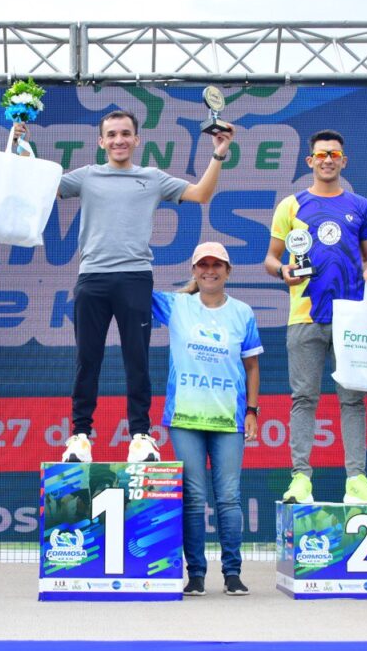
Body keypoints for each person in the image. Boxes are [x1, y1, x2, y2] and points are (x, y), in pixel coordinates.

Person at [15, 110, 235, 463]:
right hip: (92, 278)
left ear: (136, 139)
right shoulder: (87, 176)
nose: (119, 140)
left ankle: (140, 437)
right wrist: (20, 145)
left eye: (125, 133)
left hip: (135, 278)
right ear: (101, 141)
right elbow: (42, 185)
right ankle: (80, 437)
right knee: (87, 359)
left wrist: (219, 153)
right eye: (112, 134)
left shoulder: (152, 178)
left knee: (137, 360)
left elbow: (201, 194)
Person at [263, 129, 367, 505]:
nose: (328, 160)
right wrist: (282, 271)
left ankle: (356, 481)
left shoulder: (361, 206)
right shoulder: (290, 206)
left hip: (351, 318)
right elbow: (271, 259)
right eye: (321, 154)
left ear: (343, 161)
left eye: (334, 154)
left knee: (353, 400)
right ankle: (300, 479)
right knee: (304, 398)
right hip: (305, 316)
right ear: (310, 161)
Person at [152, 241, 261, 597]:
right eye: (203, 265)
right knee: (194, 497)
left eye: (217, 265)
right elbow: (134, 289)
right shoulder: (176, 305)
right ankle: (196, 574)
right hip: (185, 419)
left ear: (228, 271)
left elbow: (252, 366)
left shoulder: (242, 312)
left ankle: (233, 573)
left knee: (228, 497)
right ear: (194, 270)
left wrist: (252, 411)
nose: (210, 271)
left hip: (228, 420)